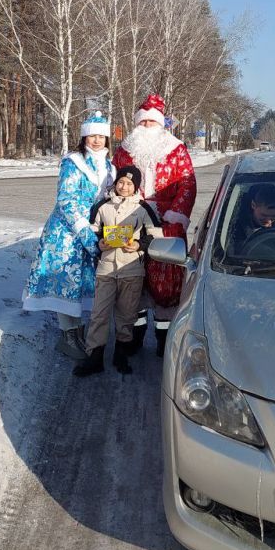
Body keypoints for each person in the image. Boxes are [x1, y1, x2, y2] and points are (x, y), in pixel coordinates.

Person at [23, 111, 115, 360]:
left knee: (82, 283)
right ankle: (68, 336)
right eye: (91, 136)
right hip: (66, 231)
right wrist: (83, 228)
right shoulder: (73, 161)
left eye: (101, 136)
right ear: (84, 137)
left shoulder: (109, 166)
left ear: (107, 139)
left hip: (92, 230)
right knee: (67, 283)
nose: (96, 140)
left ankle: (78, 332)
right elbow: (65, 199)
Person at [112, 94, 196, 357]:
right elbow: (112, 183)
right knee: (129, 275)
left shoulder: (176, 148)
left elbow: (187, 184)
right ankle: (133, 336)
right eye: (143, 122)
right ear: (137, 123)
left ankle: (164, 338)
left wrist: (174, 215)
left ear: (161, 124)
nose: (147, 126)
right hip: (129, 218)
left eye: (152, 122)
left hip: (165, 223)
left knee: (166, 282)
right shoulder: (124, 150)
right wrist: (116, 208)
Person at [73, 165, 161, 377]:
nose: (124, 186)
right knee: (99, 314)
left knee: (126, 315)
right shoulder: (102, 206)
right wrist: (100, 243)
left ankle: (120, 354)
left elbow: (156, 234)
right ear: (115, 183)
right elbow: (93, 231)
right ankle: (94, 357)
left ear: (136, 187)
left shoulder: (143, 208)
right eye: (121, 182)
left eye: (129, 184)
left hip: (131, 270)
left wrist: (139, 245)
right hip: (106, 269)